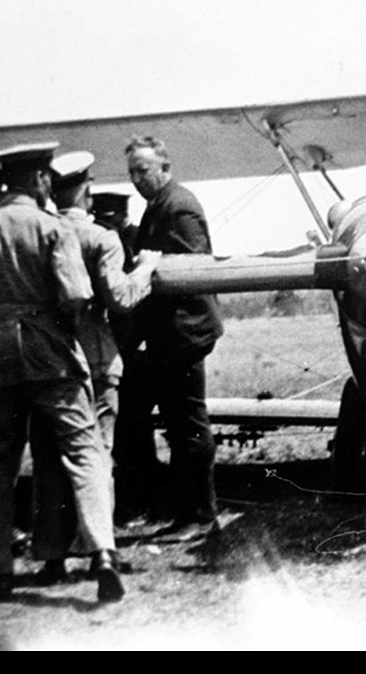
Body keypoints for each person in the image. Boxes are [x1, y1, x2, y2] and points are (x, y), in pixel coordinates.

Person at [0, 141, 123, 603]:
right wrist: (57, 331)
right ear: (39, 180)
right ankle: (103, 555)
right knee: (85, 449)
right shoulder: (52, 228)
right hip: (49, 353)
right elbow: (75, 295)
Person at [34, 151, 160, 581]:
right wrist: (145, 268)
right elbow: (121, 298)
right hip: (98, 358)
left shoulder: (39, 233)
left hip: (48, 362)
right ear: (86, 191)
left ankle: (52, 555)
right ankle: (99, 553)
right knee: (97, 455)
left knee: (51, 458)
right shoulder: (100, 238)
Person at [118, 136, 224, 543]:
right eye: (131, 172)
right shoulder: (161, 204)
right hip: (171, 332)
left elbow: (189, 270)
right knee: (181, 426)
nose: (137, 179)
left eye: (143, 170)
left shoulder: (177, 205)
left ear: (165, 167)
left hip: (183, 332)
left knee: (188, 426)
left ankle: (200, 516)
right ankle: (187, 511)